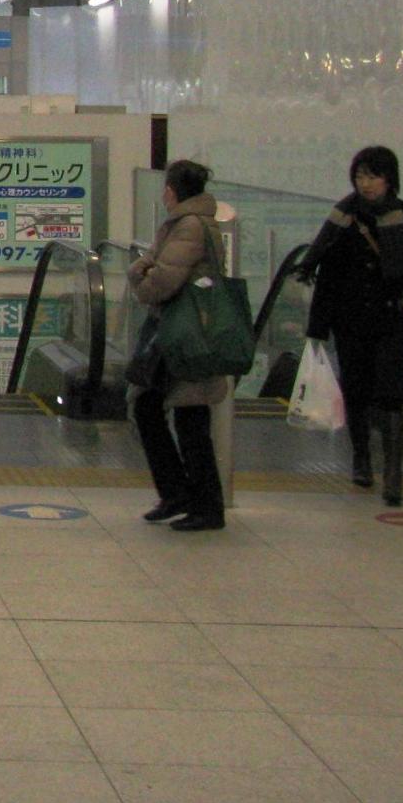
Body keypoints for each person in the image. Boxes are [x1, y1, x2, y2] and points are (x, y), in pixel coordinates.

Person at [299, 145, 403, 506]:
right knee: (357, 390)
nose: (366, 184)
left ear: (389, 179)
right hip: (350, 320)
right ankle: (362, 457)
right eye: (360, 176)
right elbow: (328, 275)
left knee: (392, 392)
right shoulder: (344, 217)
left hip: (392, 318)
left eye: (373, 176)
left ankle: (393, 472)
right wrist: (318, 325)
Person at [128, 159, 230, 532]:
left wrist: (138, 276)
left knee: (188, 419)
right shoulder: (193, 222)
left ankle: (205, 505)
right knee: (155, 408)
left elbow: (161, 282)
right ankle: (179, 495)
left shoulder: (189, 226)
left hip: (186, 337)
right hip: (182, 334)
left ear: (171, 191)